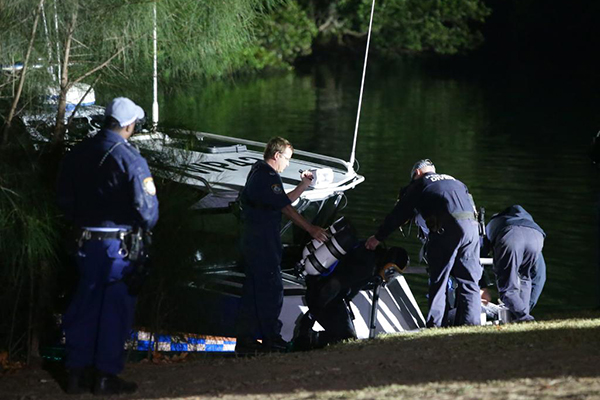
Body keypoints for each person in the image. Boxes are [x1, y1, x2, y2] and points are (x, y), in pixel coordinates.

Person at [57, 97, 158, 395]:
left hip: (83, 242)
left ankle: (75, 373)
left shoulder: (78, 152)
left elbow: (63, 199)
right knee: (114, 308)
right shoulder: (129, 157)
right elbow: (148, 210)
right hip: (117, 248)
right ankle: (104, 375)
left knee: (83, 303)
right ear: (128, 125)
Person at [235, 136, 328, 353]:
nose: (288, 164)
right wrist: (311, 229)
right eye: (287, 159)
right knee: (271, 290)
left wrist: (304, 184)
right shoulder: (267, 176)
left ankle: (246, 341)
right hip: (262, 244)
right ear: (277, 156)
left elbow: (283, 201)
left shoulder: (260, 173)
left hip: (256, 243)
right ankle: (271, 338)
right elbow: (286, 209)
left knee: (252, 292)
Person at [365, 159, 482, 327]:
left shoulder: (420, 184)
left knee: (439, 279)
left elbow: (399, 214)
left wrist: (377, 238)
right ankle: (472, 327)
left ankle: (434, 326)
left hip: (446, 230)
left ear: (417, 173)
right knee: (469, 281)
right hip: (472, 229)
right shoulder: (455, 181)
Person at [294, 244, 408, 350]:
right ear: (387, 263)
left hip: (332, 297)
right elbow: (332, 285)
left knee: (347, 338)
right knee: (345, 339)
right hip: (323, 296)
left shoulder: (370, 257)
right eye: (391, 271)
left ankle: (309, 338)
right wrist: (309, 318)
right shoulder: (366, 265)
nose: (389, 277)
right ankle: (306, 339)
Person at [484, 205, 545, 322]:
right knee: (525, 278)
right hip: (536, 236)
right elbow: (540, 275)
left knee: (507, 289)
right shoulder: (528, 222)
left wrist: (482, 285)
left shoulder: (493, 223)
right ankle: (522, 318)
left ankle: (525, 318)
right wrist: (527, 306)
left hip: (510, 236)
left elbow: (478, 255)